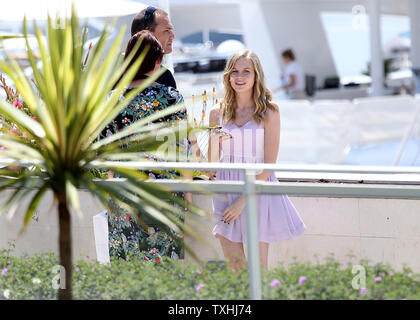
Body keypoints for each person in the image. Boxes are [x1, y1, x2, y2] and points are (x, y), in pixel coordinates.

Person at [208, 49, 306, 271]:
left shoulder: (270, 111)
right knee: (236, 268)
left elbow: (269, 164)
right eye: (235, 72)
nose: (240, 77)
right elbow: (211, 166)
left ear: (256, 76)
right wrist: (198, 147)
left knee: (258, 269)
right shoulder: (217, 112)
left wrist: (243, 200)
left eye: (246, 72)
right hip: (225, 188)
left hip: (257, 191)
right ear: (228, 76)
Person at [100, 30, 190, 262]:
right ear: (158, 61)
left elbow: (106, 151)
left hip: (123, 191)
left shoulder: (114, 99)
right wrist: (187, 190)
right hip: (164, 193)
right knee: (162, 270)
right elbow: (182, 148)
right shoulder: (171, 97)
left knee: (128, 270)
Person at [131, 6, 177, 89]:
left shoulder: (113, 73)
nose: (173, 36)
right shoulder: (164, 77)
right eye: (167, 30)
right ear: (147, 34)